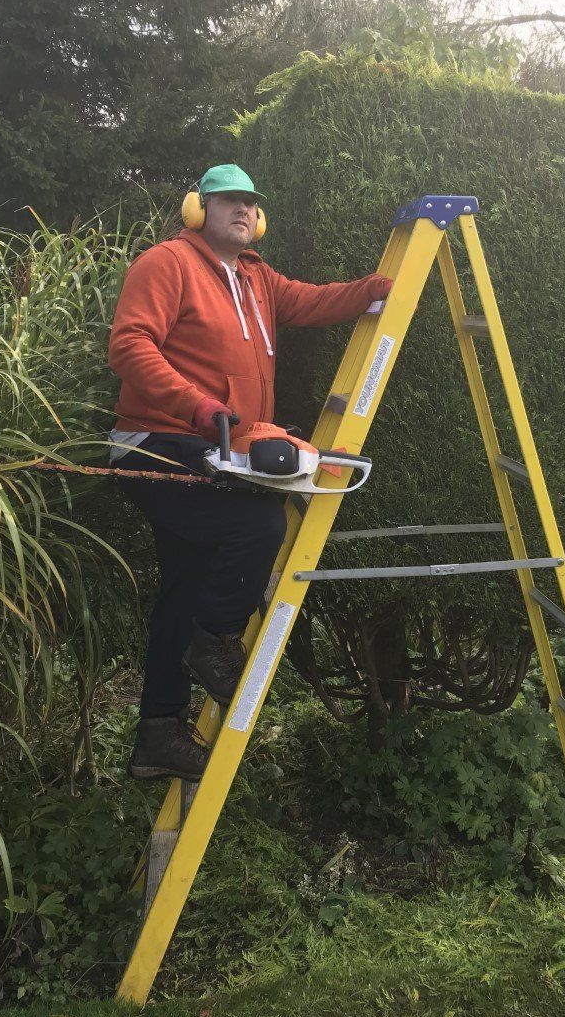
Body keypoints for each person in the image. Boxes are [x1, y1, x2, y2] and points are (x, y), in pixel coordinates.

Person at [108, 163, 392, 781]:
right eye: (228, 200)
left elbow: (314, 301)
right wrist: (198, 407)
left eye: (250, 203)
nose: (242, 209)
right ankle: (213, 641)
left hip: (214, 447)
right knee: (257, 525)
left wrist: (378, 289)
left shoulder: (259, 279)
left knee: (185, 583)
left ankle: (158, 734)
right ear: (198, 209)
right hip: (155, 441)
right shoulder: (167, 263)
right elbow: (129, 346)